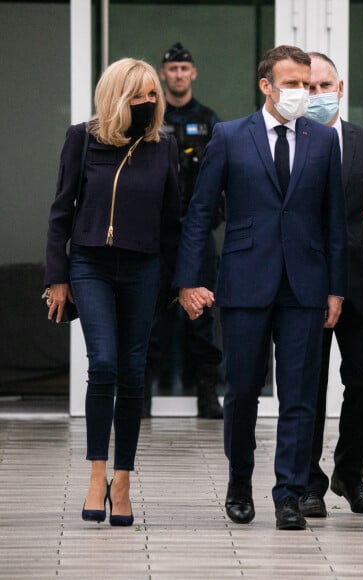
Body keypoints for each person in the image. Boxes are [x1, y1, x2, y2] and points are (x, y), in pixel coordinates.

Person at [174, 45, 347, 530]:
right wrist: (190, 279)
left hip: (305, 285)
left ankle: (289, 495)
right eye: (291, 83)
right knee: (243, 390)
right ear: (266, 86)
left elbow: (333, 220)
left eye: (308, 83)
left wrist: (336, 288)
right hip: (246, 280)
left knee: (299, 394)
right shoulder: (229, 136)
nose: (302, 93)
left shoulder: (322, 140)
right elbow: (201, 214)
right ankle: (239, 484)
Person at [44, 58, 180, 526]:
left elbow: (171, 222)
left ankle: (122, 480)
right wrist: (56, 276)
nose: (149, 102)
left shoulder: (164, 146)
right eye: (139, 94)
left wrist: (176, 282)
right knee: (102, 364)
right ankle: (95, 474)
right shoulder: (82, 138)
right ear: (117, 96)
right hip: (90, 264)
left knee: (132, 372)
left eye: (153, 95)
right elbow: (61, 210)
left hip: (144, 268)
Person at [298, 52, 363, 519]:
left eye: (323, 86)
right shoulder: (291, 141)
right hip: (307, 286)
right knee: (308, 385)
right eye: (307, 87)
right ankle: (309, 481)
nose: (315, 95)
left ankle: (350, 476)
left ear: (341, 88)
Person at [144, 42, 223, 419]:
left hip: (196, 233)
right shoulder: (151, 119)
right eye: (172, 68)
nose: (177, 74)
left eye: (183, 68)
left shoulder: (209, 119)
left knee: (202, 315)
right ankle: (141, 397)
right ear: (163, 73)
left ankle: (207, 397)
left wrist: (212, 217)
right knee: (149, 315)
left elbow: (224, 176)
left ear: (193, 73)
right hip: (155, 235)